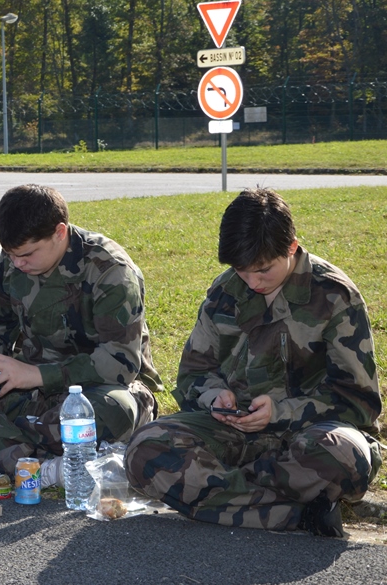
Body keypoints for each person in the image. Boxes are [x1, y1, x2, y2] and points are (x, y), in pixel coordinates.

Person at [124, 188, 381, 537]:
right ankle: (297, 514)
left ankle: (220, 494)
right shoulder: (225, 292)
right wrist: (215, 396)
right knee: (146, 447)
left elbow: (358, 404)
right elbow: (192, 376)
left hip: (307, 438)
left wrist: (280, 412)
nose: (252, 282)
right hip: (235, 433)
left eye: (263, 270)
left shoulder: (334, 295)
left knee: (341, 456)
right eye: (242, 271)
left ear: (291, 247)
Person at [0, 184, 163, 482]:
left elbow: (120, 364)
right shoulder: (12, 260)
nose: (18, 263)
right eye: (12, 254)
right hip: (28, 388)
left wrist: (38, 375)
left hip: (97, 389)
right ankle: (39, 466)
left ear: (60, 232)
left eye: (27, 254)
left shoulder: (110, 271)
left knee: (115, 411)